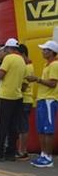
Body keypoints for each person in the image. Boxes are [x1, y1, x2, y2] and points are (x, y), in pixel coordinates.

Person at [0, 38, 26, 162]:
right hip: (17, 96)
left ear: (8, 48)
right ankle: (11, 153)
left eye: (4, 49)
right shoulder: (22, 60)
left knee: (1, 126)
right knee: (13, 127)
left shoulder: (8, 58)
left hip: (5, 96)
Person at [26, 40, 58, 168]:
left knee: (47, 130)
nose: (42, 51)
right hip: (42, 99)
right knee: (41, 130)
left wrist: (37, 79)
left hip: (49, 100)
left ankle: (48, 157)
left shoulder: (55, 65)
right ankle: (44, 155)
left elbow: (53, 84)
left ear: (52, 52)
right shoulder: (47, 65)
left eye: (45, 50)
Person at [16, 44, 34, 161]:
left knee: (23, 127)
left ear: (23, 54)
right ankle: (21, 150)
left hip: (25, 99)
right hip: (25, 99)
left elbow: (24, 85)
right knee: (22, 126)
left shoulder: (27, 67)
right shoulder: (28, 66)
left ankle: (23, 151)